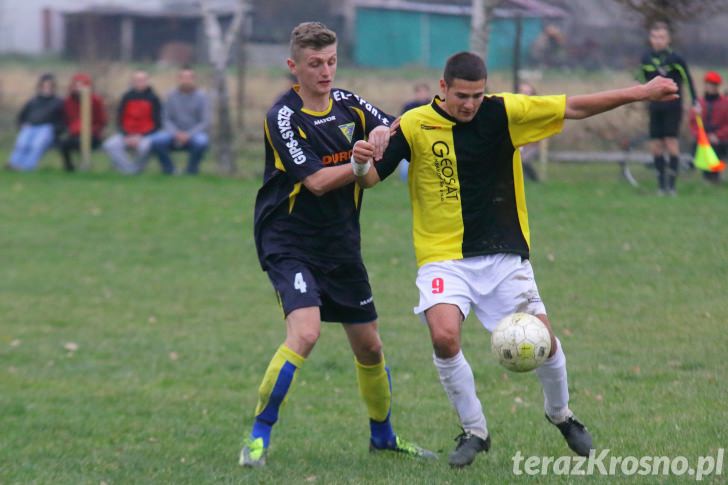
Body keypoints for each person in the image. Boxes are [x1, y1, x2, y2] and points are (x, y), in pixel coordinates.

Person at [352, 51, 678, 468]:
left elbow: (575, 106)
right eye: (461, 96)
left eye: (477, 95)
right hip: (443, 256)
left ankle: (562, 415)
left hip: (503, 254)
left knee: (544, 342)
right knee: (444, 336)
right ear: (443, 88)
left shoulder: (505, 112)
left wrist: (643, 92)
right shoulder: (414, 124)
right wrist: (360, 162)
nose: (469, 104)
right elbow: (372, 178)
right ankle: (475, 431)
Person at [240, 22, 435, 468]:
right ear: (294, 66)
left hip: (341, 242)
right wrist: (359, 161)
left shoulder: (349, 103)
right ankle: (257, 438)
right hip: (288, 240)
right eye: (314, 64)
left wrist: (389, 133)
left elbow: (399, 125)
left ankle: (383, 439)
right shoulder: (282, 117)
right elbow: (316, 181)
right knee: (305, 333)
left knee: (370, 347)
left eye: (330, 62)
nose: (325, 71)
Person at [638, 22, 697, 195]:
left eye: (661, 37)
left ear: (668, 39)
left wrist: (695, 102)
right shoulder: (646, 58)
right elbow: (641, 80)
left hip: (673, 107)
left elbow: (689, 81)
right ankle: (661, 185)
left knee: (671, 143)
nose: (658, 40)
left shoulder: (676, 59)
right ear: (650, 39)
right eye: (655, 37)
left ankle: (672, 186)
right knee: (656, 146)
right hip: (655, 107)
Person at [150, 66, 209, 175]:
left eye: (189, 77)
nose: (186, 80)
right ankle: (169, 170)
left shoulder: (202, 97)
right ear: (179, 79)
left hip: (194, 134)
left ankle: (191, 170)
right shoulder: (170, 95)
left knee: (202, 142)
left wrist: (188, 134)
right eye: (183, 77)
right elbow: (165, 118)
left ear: (193, 79)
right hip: (173, 132)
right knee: (157, 140)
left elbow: (204, 121)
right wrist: (175, 133)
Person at [102, 70, 162, 174]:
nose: (140, 82)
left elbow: (157, 124)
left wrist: (140, 136)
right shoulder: (126, 97)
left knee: (145, 147)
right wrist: (127, 135)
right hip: (126, 134)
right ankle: (130, 170)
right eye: (137, 80)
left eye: (142, 80)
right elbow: (119, 119)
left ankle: (135, 169)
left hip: (145, 135)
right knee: (109, 145)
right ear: (132, 82)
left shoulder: (154, 98)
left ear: (147, 81)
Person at [7, 73, 64, 171]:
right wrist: (22, 124)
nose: (47, 88)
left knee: (36, 145)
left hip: (47, 129)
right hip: (30, 128)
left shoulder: (59, 102)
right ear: (40, 86)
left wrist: (55, 129)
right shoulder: (32, 102)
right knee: (22, 143)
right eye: (44, 86)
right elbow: (21, 117)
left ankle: (27, 167)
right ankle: (13, 164)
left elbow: (62, 121)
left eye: (49, 86)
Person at [58, 73, 107, 172]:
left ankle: (85, 165)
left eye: (81, 85)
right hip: (74, 134)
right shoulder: (68, 101)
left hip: (92, 135)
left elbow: (101, 121)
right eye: (76, 85)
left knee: (83, 143)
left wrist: (93, 130)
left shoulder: (95, 100)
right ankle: (69, 169)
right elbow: (67, 120)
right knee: (64, 144)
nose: (78, 88)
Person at [689, 71, 728, 184]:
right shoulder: (699, 104)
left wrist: (717, 135)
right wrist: (702, 136)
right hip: (703, 139)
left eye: (714, 85)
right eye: (709, 84)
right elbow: (693, 123)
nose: (711, 87)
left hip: (720, 139)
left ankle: (714, 178)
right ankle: (707, 178)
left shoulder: (725, 103)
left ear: (718, 86)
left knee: (716, 147)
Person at [398, 83, 432, 181]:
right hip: (410, 141)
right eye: (419, 92)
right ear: (416, 93)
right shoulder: (408, 107)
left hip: (427, 142)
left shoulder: (433, 106)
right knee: (405, 170)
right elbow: (401, 121)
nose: (422, 94)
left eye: (424, 92)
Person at [517, 81, 541, 182]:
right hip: (517, 143)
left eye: (527, 92)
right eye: (522, 91)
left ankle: (535, 180)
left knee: (522, 159)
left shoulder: (537, 111)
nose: (524, 95)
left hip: (531, 145)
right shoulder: (513, 108)